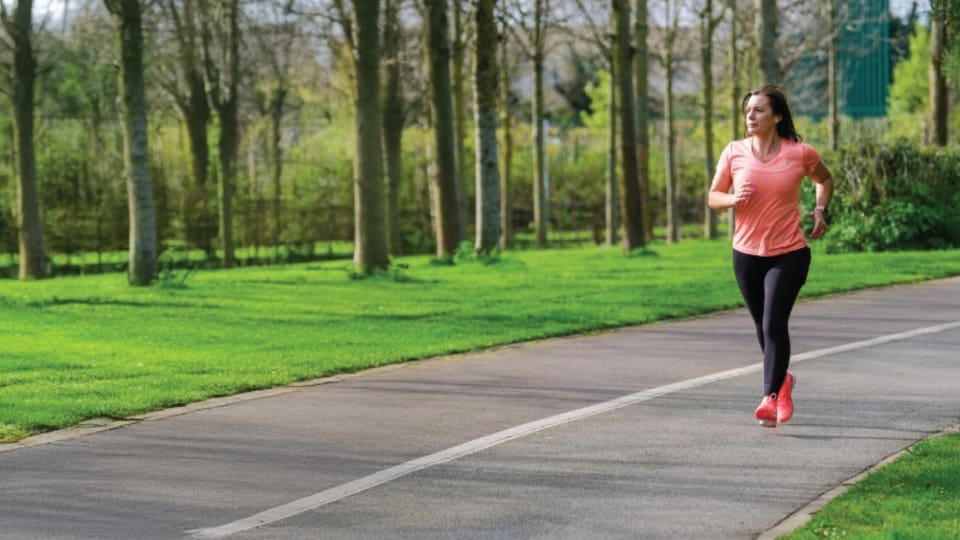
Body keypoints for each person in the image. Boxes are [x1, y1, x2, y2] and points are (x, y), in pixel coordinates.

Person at [708, 84, 834, 428]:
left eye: (759, 110)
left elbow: (824, 179)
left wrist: (821, 209)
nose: (751, 115)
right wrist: (732, 200)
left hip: (789, 252)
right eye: (748, 110)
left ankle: (769, 397)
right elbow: (713, 196)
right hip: (746, 254)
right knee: (762, 327)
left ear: (777, 116)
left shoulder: (800, 153)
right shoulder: (734, 152)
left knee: (773, 323)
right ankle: (783, 382)